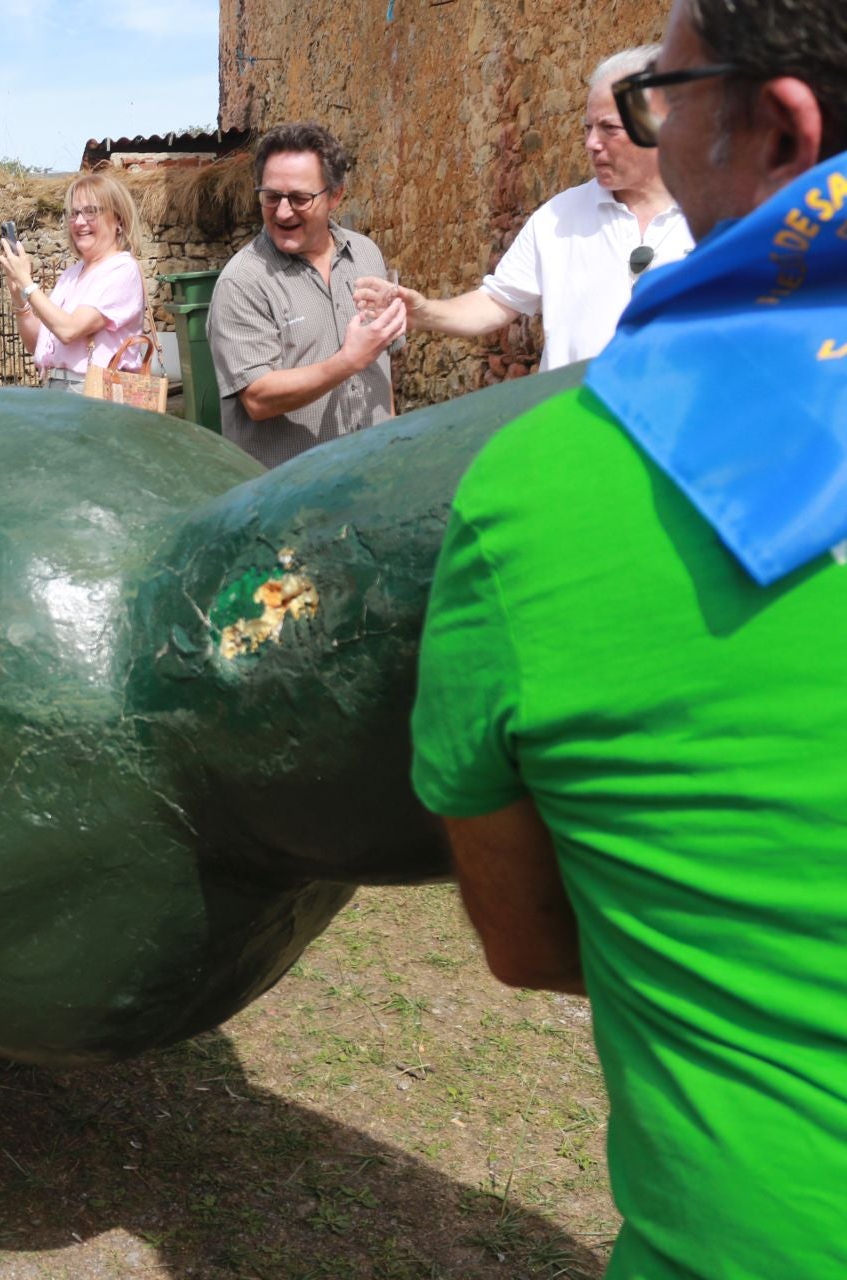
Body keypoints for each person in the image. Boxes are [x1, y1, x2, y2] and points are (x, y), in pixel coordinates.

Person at [409, 1, 847, 1274]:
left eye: (667, 94)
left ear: (780, 128)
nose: (642, 129)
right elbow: (494, 310)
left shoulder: (537, 502)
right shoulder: (558, 232)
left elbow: (535, 939)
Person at [354, 46, 695, 370]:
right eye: (588, 128)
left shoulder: (718, 219)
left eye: (610, 129)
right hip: (573, 424)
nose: (591, 143)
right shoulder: (559, 217)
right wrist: (425, 312)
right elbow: (495, 302)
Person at [208, 122, 406, 468]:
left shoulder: (365, 254)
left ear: (335, 195)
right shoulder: (241, 283)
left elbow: (382, 365)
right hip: (290, 499)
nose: (283, 212)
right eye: (271, 197)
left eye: (300, 198)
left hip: (374, 473)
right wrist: (346, 362)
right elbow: (258, 398)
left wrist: (392, 440)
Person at [0, 172, 147, 390]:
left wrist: (28, 284)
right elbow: (36, 342)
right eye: (74, 214)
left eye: (91, 212)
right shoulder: (72, 274)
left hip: (97, 395)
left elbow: (69, 330)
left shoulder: (122, 269)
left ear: (118, 220)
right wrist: (19, 297)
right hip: (58, 389)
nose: (80, 222)